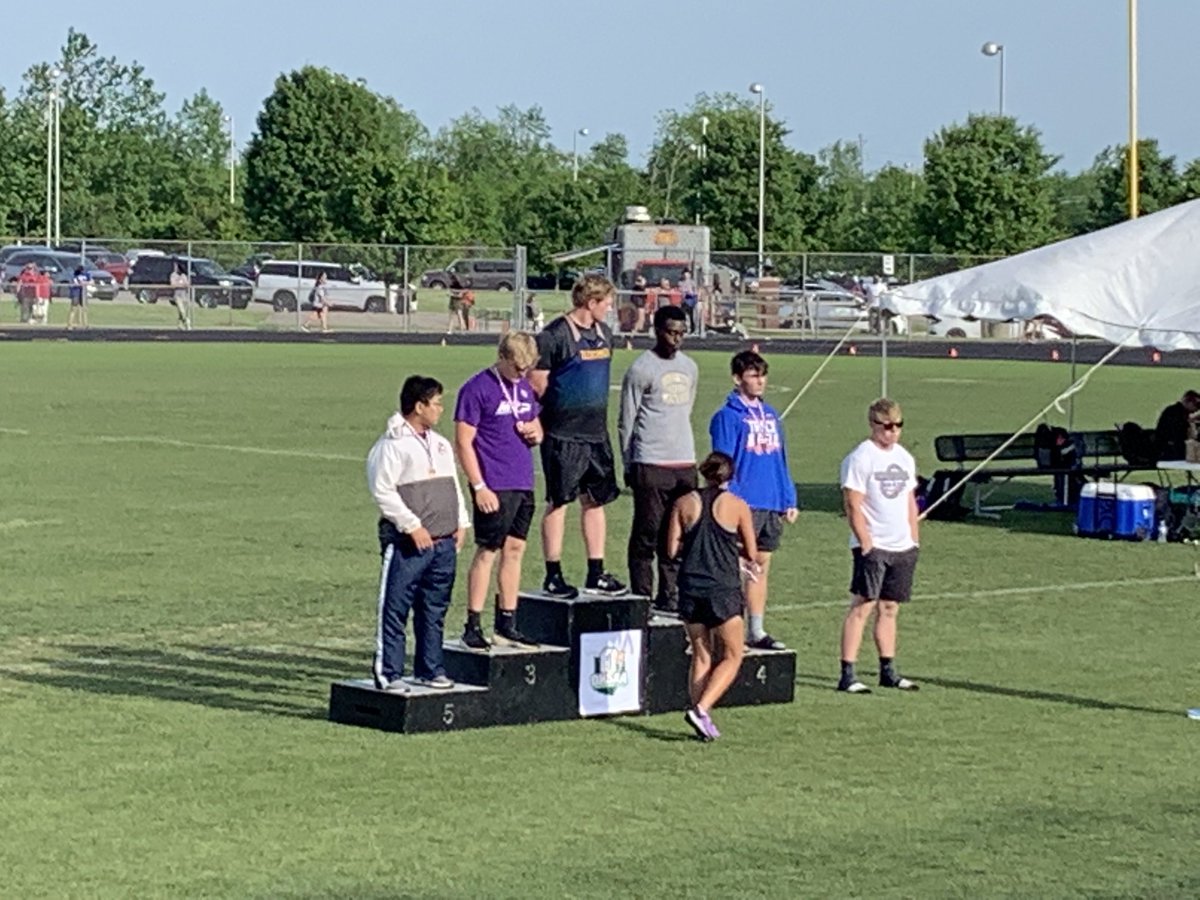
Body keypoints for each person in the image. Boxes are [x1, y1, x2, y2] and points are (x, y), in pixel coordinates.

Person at [366, 375, 469, 692]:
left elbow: (453, 485)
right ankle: (389, 672)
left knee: (434, 609)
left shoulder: (440, 444)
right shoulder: (391, 446)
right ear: (418, 406)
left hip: (444, 544)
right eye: (436, 403)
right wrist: (412, 525)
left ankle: (430, 669)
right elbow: (382, 491)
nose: (440, 409)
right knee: (395, 608)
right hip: (408, 544)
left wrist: (461, 522)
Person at [529, 273, 627, 599]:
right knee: (559, 502)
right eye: (606, 302)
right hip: (563, 434)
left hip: (596, 434)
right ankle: (553, 574)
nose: (610, 308)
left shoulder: (605, 335)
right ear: (591, 302)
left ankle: (596, 572)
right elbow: (536, 385)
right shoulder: (554, 336)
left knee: (596, 501)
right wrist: (540, 421)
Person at [454, 332, 544, 649]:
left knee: (515, 549)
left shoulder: (524, 386)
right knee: (488, 551)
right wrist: (479, 486)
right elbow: (463, 442)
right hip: (494, 483)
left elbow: (536, 423)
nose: (522, 373)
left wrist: (535, 433)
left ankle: (507, 622)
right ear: (502, 357)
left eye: (527, 367)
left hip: (523, 480)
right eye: (518, 367)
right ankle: (472, 625)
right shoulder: (476, 388)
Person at [667, 451, 760, 741]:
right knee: (733, 655)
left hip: (690, 588)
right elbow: (752, 551)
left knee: (701, 655)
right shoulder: (737, 505)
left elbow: (671, 550)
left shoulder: (683, 503)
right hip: (722, 590)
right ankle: (701, 709)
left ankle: (700, 720)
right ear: (730, 476)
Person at [709, 350, 798, 650]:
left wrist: (788, 497)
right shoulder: (727, 416)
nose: (760, 381)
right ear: (737, 379)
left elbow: (780, 459)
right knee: (734, 568)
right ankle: (728, 629)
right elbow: (722, 461)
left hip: (770, 500)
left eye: (763, 375)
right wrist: (725, 498)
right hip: (742, 502)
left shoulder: (771, 415)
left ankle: (756, 630)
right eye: (753, 375)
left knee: (760, 565)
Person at [837, 398, 920, 694]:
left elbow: (909, 500)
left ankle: (888, 670)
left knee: (890, 607)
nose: (892, 431)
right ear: (873, 425)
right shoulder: (861, 457)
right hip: (874, 546)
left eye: (898, 425)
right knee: (863, 605)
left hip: (902, 546)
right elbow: (853, 504)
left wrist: (913, 538)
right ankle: (848, 673)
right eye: (887, 426)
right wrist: (865, 542)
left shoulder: (905, 458)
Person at [618, 305, 698, 610]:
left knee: (677, 535)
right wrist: (629, 462)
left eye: (681, 333)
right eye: (671, 332)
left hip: (684, 463)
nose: (676, 339)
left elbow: (686, 409)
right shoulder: (641, 369)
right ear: (657, 331)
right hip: (651, 462)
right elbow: (627, 419)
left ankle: (670, 595)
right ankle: (642, 596)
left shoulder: (690, 367)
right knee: (647, 533)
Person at [1154, 390, 1200, 461]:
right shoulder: (1174, 413)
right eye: (1197, 405)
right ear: (1188, 402)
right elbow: (1179, 434)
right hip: (1170, 451)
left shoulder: (1176, 412)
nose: (1197, 410)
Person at [67, 266, 90, 331]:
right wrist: (79, 283)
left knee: (84, 309)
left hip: (83, 293)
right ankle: (70, 324)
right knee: (73, 309)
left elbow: (91, 281)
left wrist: (85, 283)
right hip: (76, 293)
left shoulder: (86, 275)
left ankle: (85, 324)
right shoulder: (74, 275)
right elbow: (73, 283)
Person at [170, 262, 191, 331]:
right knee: (182, 310)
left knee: (181, 312)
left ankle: (180, 325)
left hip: (184, 296)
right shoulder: (173, 275)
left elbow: (187, 284)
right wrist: (181, 285)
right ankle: (187, 322)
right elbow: (173, 285)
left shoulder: (183, 275)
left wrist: (182, 285)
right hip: (177, 296)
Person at [678, 269, 699, 334]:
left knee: (692, 315)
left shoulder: (692, 282)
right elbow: (681, 291)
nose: (686, 275)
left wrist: (691, 294)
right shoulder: (680, 282)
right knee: (683, 314)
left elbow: (695, 292)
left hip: (691, 300)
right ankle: (685, 328)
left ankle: (693, 328)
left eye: (687, 274)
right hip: (684, 300)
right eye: (685, 274)